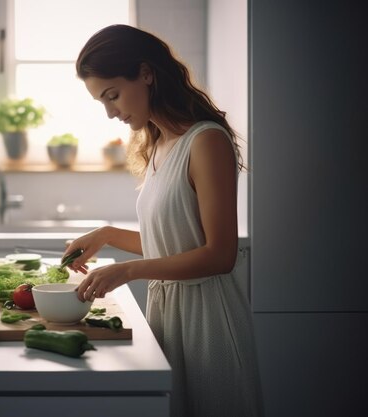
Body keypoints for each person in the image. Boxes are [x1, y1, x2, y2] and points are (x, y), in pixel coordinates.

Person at [63, 24, 264, 417]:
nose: (110, 113)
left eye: (113, 95)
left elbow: (219, 255)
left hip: (208, 321)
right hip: (168, 315)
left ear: (146, 73)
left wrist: (128, 272)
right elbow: (175, 242)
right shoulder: (158, 144)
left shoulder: (206, 141)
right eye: (102, 102)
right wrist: (107, 234)